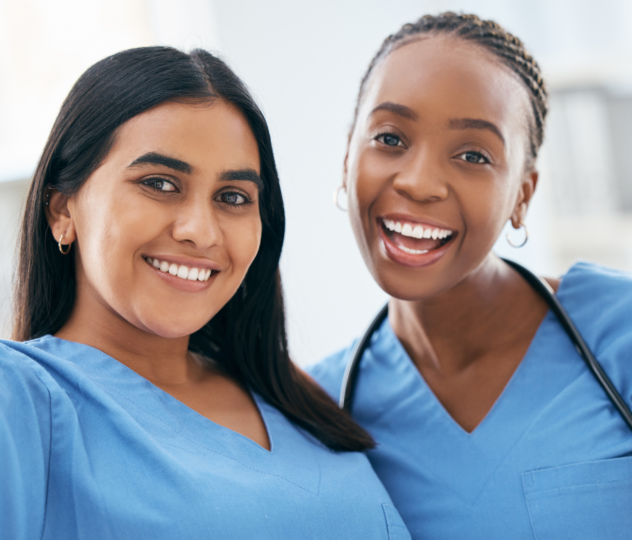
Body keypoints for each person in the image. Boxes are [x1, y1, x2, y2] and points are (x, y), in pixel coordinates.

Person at [308, 12, 632, 539]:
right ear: (347, 155)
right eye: (390, 139)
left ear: (523, 194)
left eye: (473, 154)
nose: (418, 182)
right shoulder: (319, 408)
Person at [0, 47, 410, 540]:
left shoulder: (295, 397)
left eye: (233, 197)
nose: (201, 231)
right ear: (62, 210)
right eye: (159, 183)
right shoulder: (19, 395)